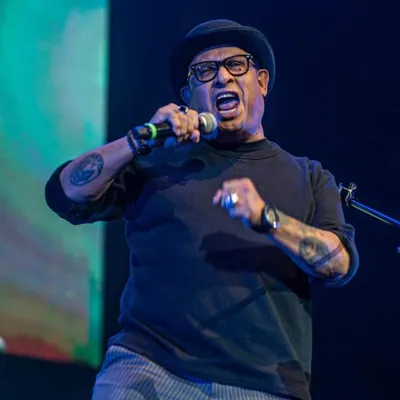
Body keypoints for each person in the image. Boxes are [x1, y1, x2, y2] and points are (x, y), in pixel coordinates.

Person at [45, 19, 359, 400]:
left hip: (264, 385)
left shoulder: (308, 177)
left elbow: (339, 264)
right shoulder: (157, 158)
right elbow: (64, 192)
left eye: (236, 65)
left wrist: (268, 218)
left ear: (261, 82)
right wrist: (138, 139)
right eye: (204, 71)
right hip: (150, 366)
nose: (223, 77)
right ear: (189, 96)